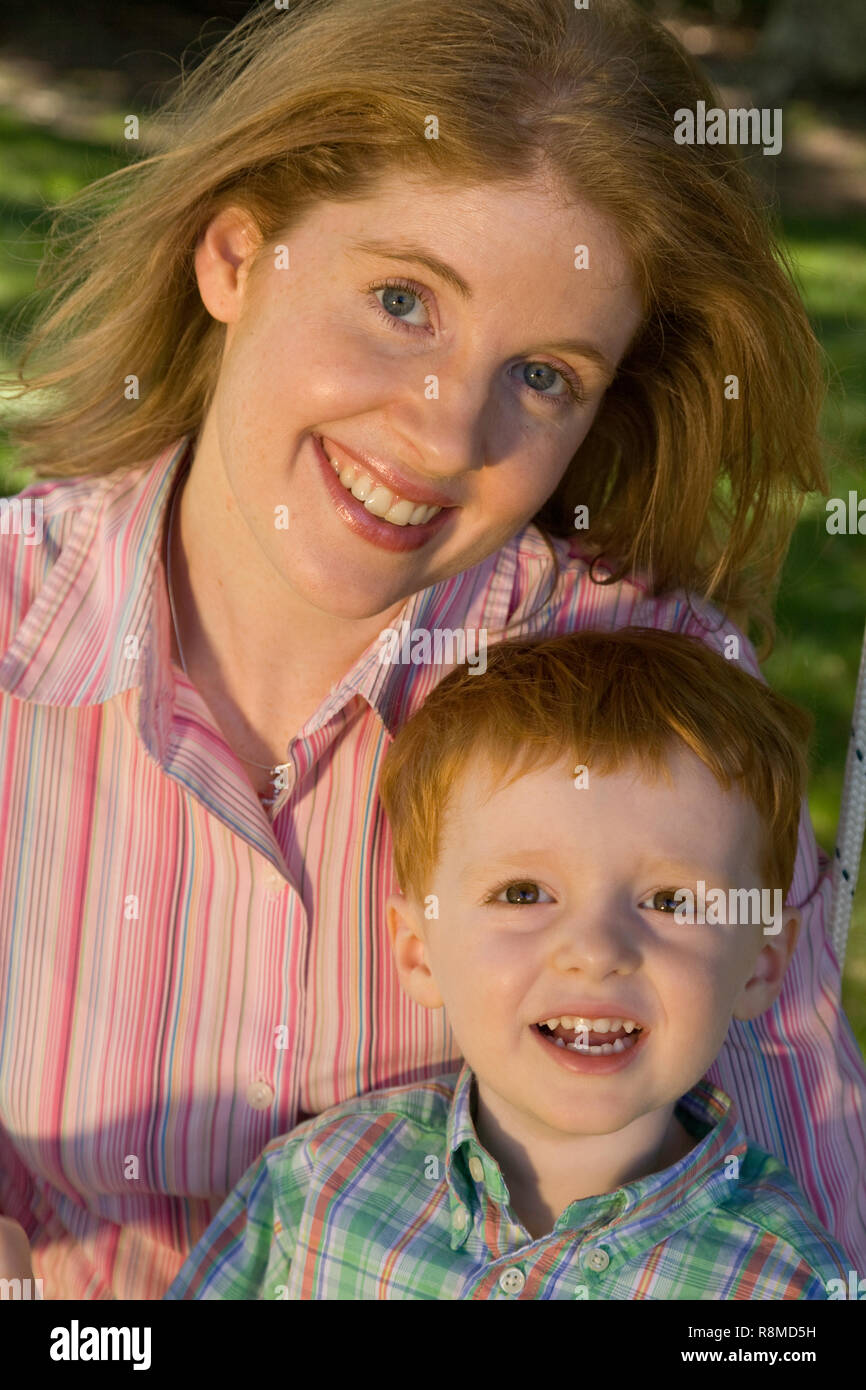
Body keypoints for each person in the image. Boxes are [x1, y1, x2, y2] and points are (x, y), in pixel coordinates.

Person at [0, 0, 863, 1301]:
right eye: (402, 301)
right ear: (235, 255)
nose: (447, 431)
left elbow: (800, 1234)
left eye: (544, 376)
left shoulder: (659, 718)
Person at [164, 630, 854, 1299]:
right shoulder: (323, 1186)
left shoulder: (784, 1287)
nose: (595, 951)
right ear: (418, 951)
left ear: (762, 962)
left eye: (670, 900)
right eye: (523, 893)